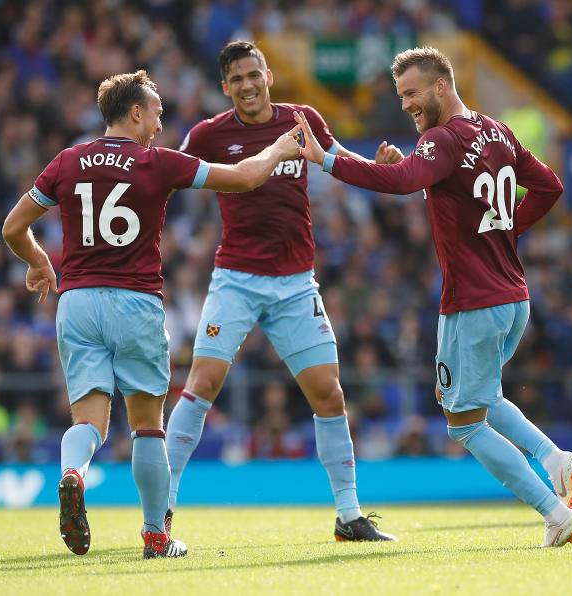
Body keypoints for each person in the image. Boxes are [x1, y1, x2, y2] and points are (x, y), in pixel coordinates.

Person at [2, 69, 302, 558]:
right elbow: (245, 178)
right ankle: (156, 536)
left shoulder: (67, 161)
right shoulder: (158, 163)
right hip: (134, 302)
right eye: (158, 113)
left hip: (76, 302)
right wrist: (277, 151)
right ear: (136, 112)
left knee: (90, 423)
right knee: (147, 425)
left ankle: (73, 473)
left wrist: (39, 263)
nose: (160, 125)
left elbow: (14, 227)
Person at [295, 46, 572, 548]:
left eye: (412, 93)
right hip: (513, 297)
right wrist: (506, 229)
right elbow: (549, 186)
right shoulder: (496, 130)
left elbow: (407, 181)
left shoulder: (444, 137)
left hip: (472, 301)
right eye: (401, 95)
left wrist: (326, 161)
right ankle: (555, 460)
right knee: (474, 397)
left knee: (463, 425)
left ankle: (554, 513)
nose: (406, 104)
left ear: (441, 86)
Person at [164, 40, 401, 542]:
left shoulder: (303, 119)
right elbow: (166, 176)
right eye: (237, 79)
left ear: (268, 76)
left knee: (329, 394)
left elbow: (337, 160)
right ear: (225, 87)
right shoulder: (209, 134)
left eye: (255, 75)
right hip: (236, 280)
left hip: (295, 284)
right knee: (201, 384)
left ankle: (349, 516)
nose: (248, 85)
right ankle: (159, 514)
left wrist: (383, 168)